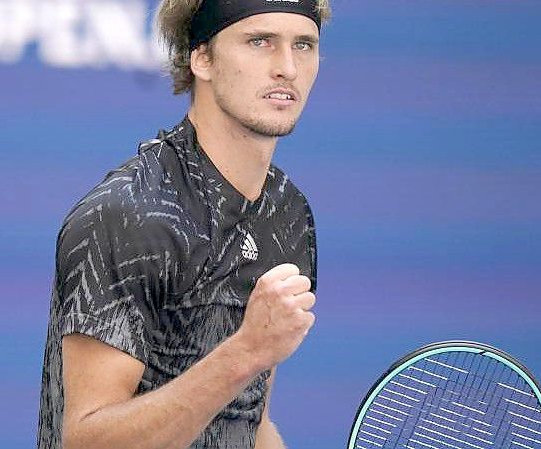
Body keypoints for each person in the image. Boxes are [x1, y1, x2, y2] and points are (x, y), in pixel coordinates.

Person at [37, 0, 331, 447]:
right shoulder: (129, 214)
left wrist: (250, 362)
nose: (287, 67)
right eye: (259, 42)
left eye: (304, 45)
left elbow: (249, 420)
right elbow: (86, 440)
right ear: (202, 58)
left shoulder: (288, 213)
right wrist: (246, 352)